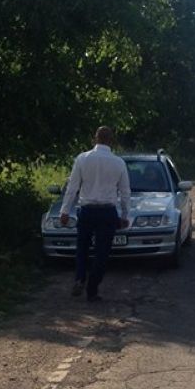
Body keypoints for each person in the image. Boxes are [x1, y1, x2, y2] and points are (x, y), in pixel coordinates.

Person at [60, 126, 131, 302]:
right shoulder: (118, 163)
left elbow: (72, 188)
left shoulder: (82, 158)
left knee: (82, 247)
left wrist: (65, 211)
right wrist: (125, 215)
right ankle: (92, 288)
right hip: (107, 212)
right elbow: (125, 192)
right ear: (111, 141)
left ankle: (80, 278)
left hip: (87, 210)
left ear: (95, 138)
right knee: (102, 252)